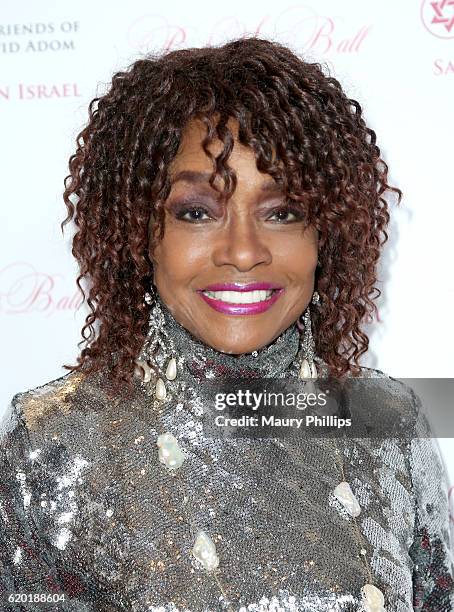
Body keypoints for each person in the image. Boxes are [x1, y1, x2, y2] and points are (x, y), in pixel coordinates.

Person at [1, 36, 453, 612]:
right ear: (138, 235)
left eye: (282, 212)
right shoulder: (57, 441)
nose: (243, 252)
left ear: (326, 236)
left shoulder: (387, 420)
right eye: (196, 212)